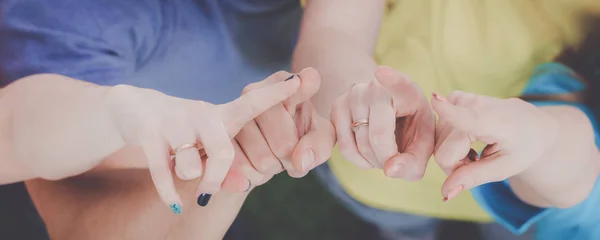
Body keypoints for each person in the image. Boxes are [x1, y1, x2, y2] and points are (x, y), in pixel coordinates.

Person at [0, 0, 336, 239]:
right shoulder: (52, 27)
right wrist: (119, 111)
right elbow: (15, 138)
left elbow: (338, 29)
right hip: (151, 185)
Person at [293, 0, 600, 239]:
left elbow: (582, 162)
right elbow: (333, 29)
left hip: (516, 195)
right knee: (401, 225)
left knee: (508, 228)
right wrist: (358, 101)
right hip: (372, 169)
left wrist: (541, 137)